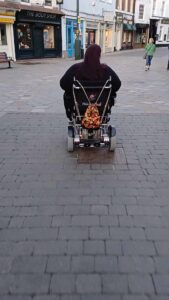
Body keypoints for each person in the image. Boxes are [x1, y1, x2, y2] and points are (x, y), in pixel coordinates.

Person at [60, 44, 121, 119]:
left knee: (67, 94)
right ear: (99, 56)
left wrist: (72, 90)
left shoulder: (76, 68)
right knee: (112, 93)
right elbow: (117, 84)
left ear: (86, 54)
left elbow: (63, 84)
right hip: (101, 107)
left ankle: (70, 115)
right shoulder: (106, 70)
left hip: (80, 107)